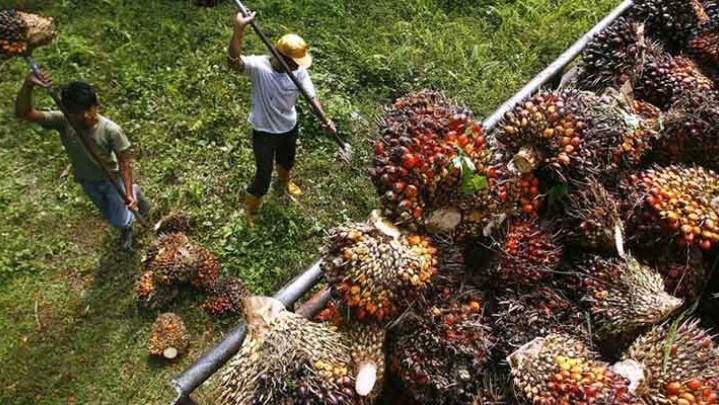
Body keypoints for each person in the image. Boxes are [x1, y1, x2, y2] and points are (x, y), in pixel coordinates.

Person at [15, 71, 150, 250]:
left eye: (89, 110)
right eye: (77, 113)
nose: (84, 116)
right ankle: (132, 202)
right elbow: (24, 112)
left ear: (96, 106)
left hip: (111, 178)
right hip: (87, 180)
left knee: (118, 218)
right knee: (108, 212)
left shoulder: (111, 130)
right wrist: (28, 85)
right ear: (68, 112)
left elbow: (124, 162)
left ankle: (129, 218)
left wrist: (129, 194)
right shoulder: (64, 121)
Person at [228, 11, 335, 227]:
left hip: (288, 127)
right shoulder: (259, 67)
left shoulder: (299, 73)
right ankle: (251, 206)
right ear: (280, 57)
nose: (299, 66)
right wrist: (239, 29)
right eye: (294, 62)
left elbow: (311, 98)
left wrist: (326, 120)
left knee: (287, 160)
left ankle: (286, 180)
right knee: (263, 175)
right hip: (264, 132)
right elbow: (233, 62)